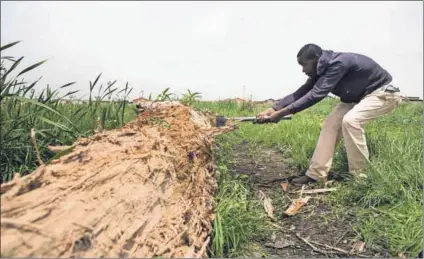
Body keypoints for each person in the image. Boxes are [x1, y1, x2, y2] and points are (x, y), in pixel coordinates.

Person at [257, 44, 402, 185]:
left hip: (383, 93)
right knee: (330, 125)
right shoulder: (320, 70)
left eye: (304, 64)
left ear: (316, 58)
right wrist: (274, 108)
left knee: (351, 121)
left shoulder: (339, 63)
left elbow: (315, 95)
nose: (303, 70)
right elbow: (302, 91)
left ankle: (361, 178)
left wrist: (282, 113)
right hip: (356, 98)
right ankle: (316, 175)